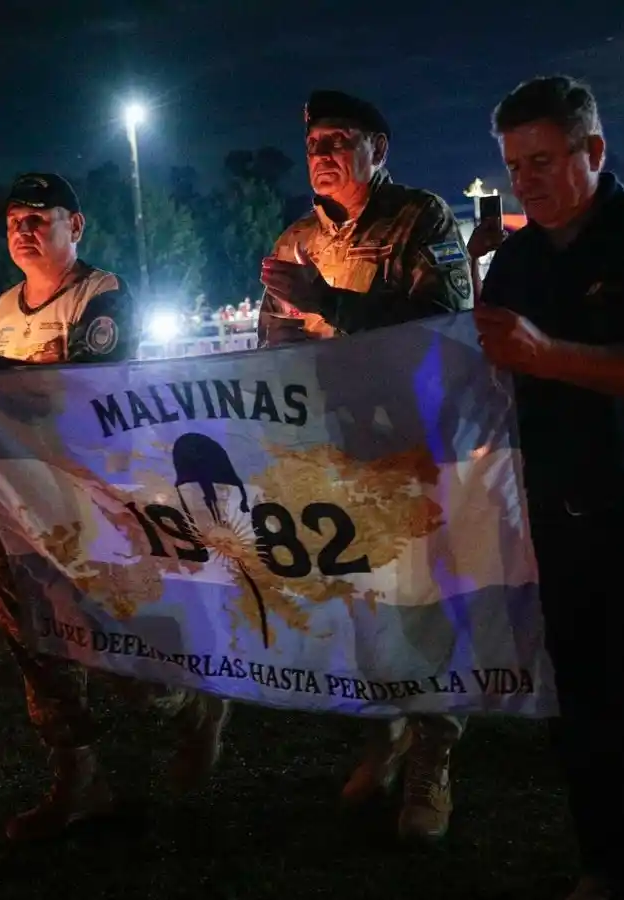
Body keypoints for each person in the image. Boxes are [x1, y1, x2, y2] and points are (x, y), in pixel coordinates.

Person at [0, 172, 230, 841]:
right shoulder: (3, 312)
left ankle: (187, 711)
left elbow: (87, 390)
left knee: (117, 645)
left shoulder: (103, 294)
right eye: (13, 222)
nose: (23, 231)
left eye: (39, 218)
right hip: (24, 507)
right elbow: (1, 407)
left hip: (97, 504)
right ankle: (78, 774)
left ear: (75, 227)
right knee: (37, 645)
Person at [469, 75, 624, 900]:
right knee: (574, 685)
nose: (525, 181)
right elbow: (490, 384)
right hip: (552, 501)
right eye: (512, 166)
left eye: (541, 161)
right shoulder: (516, 262)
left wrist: (544, 353)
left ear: (593, 152)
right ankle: (603, 855)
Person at [256, 89, 474, 842]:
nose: (322, 155)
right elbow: (275, 355)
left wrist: (332, 304)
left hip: (414, 446)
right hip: (334, 453)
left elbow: (446, 320)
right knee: (357, 608)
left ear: (379, 149)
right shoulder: (293, 244)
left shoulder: (422, 219)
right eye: (314, 143)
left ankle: (431, 760)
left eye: (340, 141)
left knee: (421, 603)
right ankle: (381, 736)